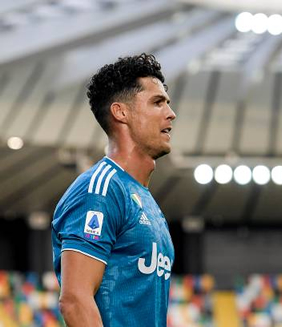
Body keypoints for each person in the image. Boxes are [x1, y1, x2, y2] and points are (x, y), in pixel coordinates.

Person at [51, 53, 176, 326]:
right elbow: (74, 300)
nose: (171, 113)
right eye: (158, 103)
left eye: (167, 103)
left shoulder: (146, 201)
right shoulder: (101, 189)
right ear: (121, 113)